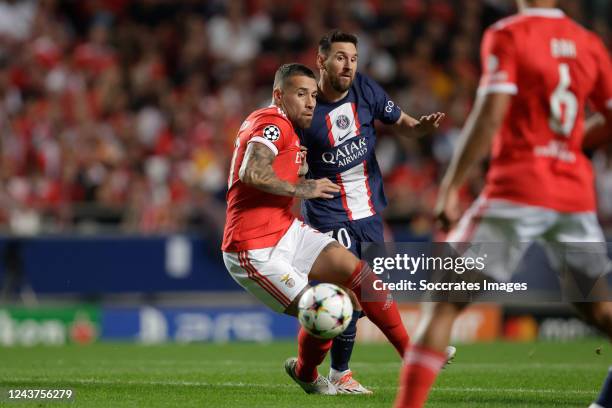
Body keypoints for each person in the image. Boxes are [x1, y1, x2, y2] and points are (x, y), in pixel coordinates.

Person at [394, 1, 612, 407]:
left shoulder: (509, 34)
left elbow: (490, 113)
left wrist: (451, 184)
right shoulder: (589, 44)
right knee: (597, 309)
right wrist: (569, 145)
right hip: (574, 199)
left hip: (517, 192)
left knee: (442, 301)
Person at [221, 63, 409, 395]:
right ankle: (307, 374)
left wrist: (300, 175)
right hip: (253, 249)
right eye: (300, 94)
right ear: (279, 96)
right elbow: (252, 171)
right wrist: (302, 188)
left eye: (312, 95)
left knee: (357, 274)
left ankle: (413, 355)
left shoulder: (288, 128)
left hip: (285, 230)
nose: (310, 102)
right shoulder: (272, 123)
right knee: (328, 310)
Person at [298, 30, 446, 394]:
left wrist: (421, 127)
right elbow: (292, 169)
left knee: (361, 300)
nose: (348, 64)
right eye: (339, 57)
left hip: (368, 211)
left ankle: (328, 373)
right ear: (321, 61)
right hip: (329, 213)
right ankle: (343, 372)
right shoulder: (305, 107)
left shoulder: (366, 89)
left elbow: (404, 124)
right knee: (350, 291)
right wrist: (302, 180)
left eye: (353, 57)